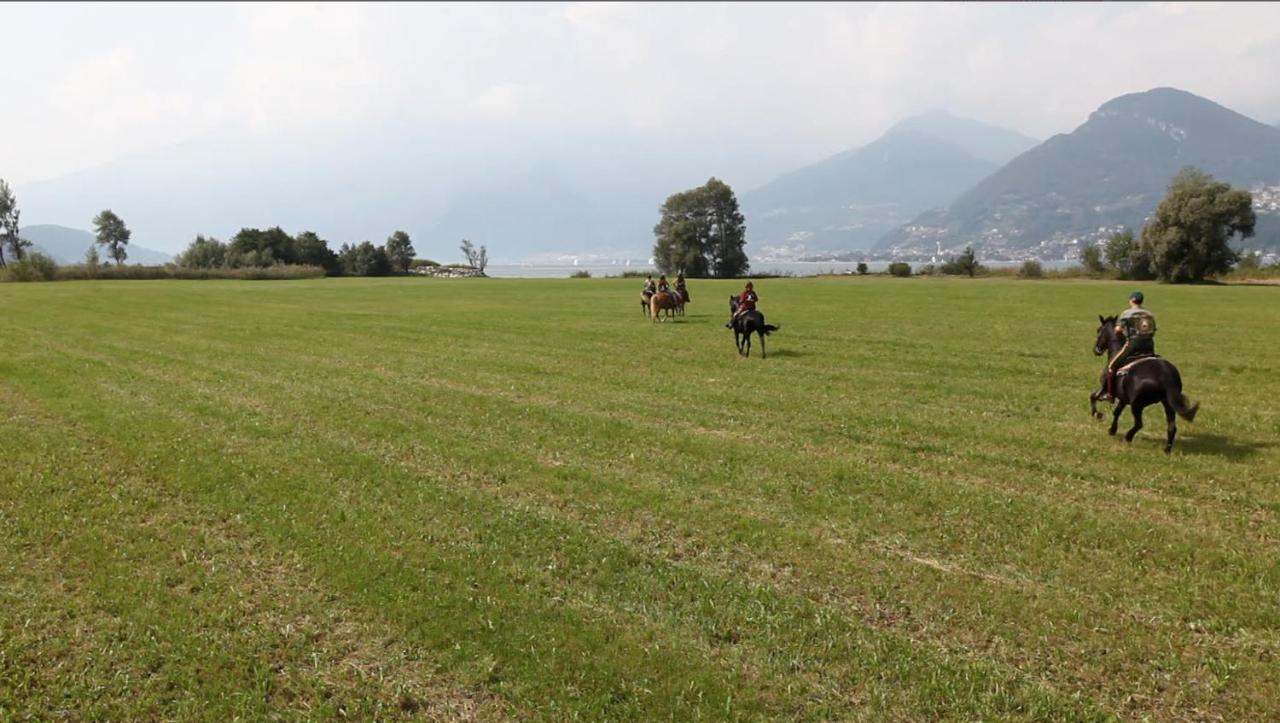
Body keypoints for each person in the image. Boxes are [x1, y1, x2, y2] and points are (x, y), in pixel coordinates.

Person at [1102, 290, 1157, 401]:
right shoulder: (1149, 314)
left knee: (1111, 366)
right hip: (1149, 345)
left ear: (1132, 300)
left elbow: (1117, 330)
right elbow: (1153, 330)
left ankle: (1109, 394)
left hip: (1133, 344)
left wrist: (1122, 331)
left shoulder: (1126, 313)